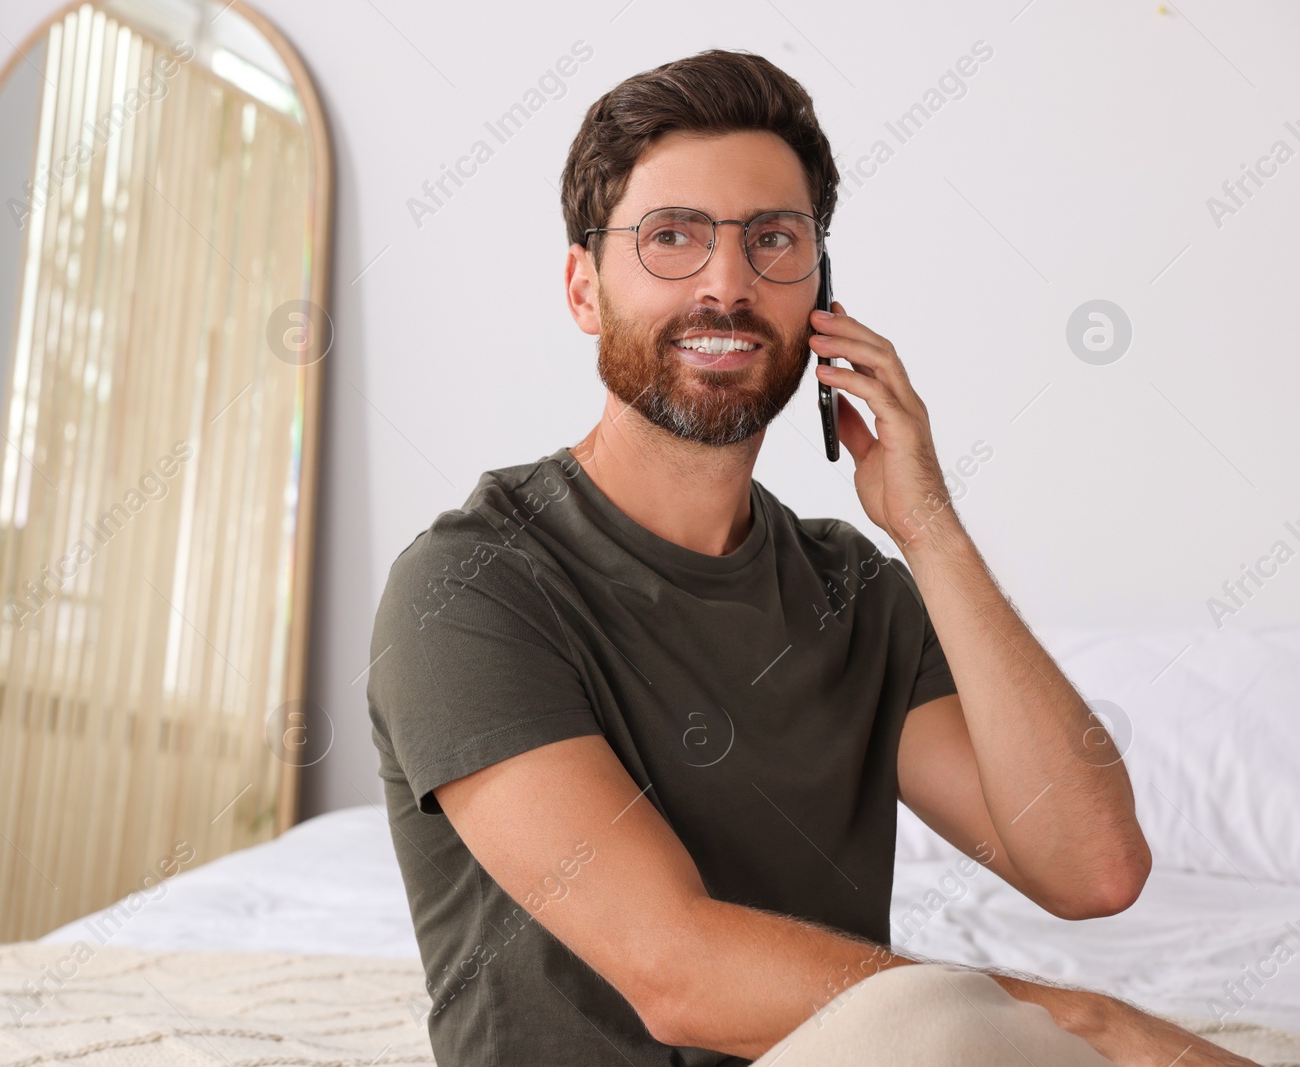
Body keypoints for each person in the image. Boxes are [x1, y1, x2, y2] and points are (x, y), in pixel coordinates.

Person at [365, 48, 1255, 1067]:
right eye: (671, 238)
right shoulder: (470, 584)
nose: (727, 283)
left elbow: (1092, 867)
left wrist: (927, 525)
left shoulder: (854, 589)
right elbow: (676, 971)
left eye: (773, 241)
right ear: (583, 287)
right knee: (956, 1027)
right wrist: (1081, 1017)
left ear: (818, 295)